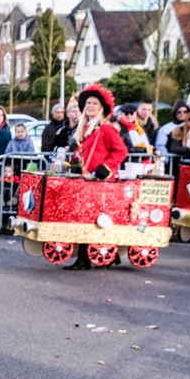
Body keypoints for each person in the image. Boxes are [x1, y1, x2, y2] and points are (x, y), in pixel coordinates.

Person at [63, 85, 126, 271]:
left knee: (92, 219)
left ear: (101, 108)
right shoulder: (84, 128)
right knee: (89, 218)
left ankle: (85, 259)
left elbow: (121, 151)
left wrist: (105, 168)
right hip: (87, 181)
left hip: (100, 181)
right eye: (88, 102)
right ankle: (107, 256)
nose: (90, 105)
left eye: (95, 103)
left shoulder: (105, 128)